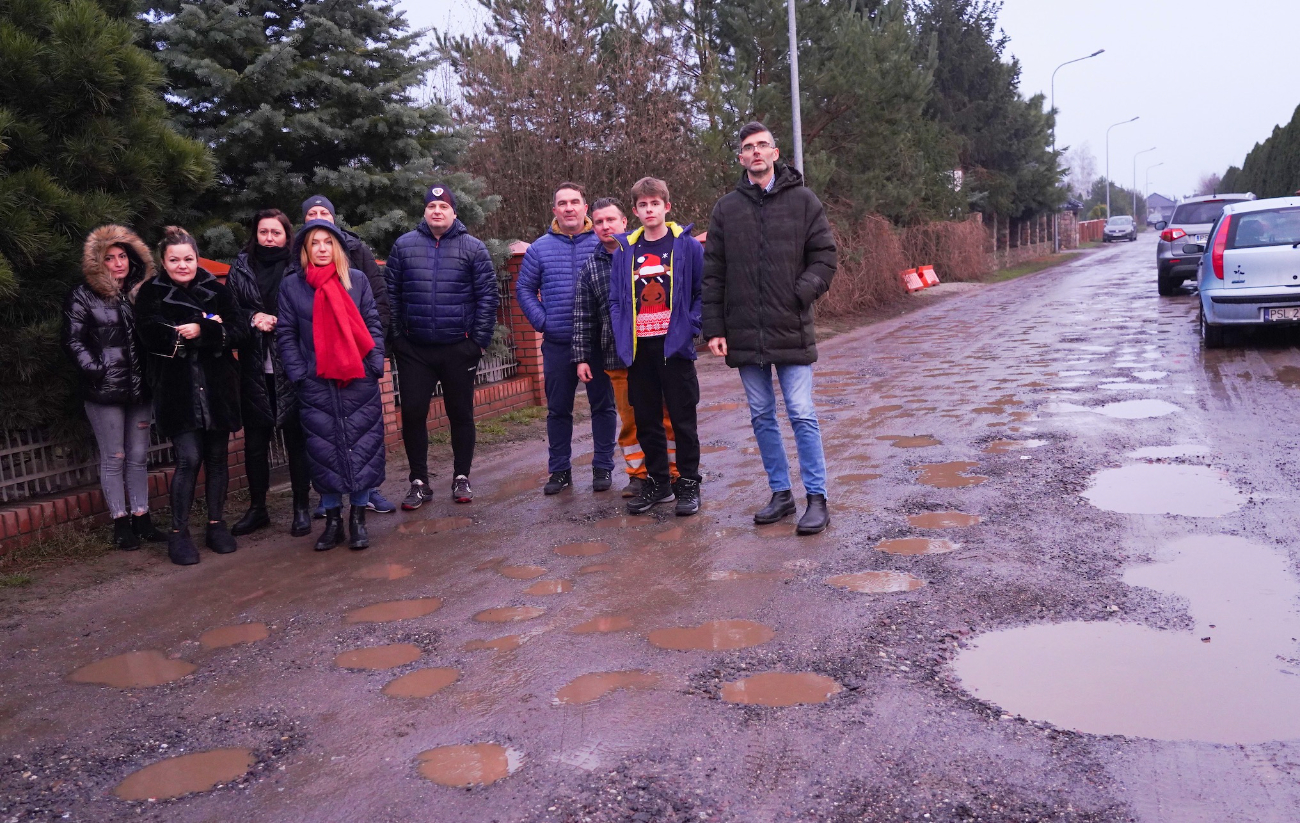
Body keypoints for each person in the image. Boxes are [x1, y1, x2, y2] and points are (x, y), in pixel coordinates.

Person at [701, 122, 837, 535]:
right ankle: (781, 494)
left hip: (790, 325)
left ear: (776, 153)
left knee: (801, 412)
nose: (756, 151)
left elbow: (825, 257)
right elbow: (713, 273)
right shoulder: (726, 209)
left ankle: (817, 498)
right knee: (761, 415)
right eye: (749, 147)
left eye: (763, 145)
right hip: (743, 331)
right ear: (741, 158)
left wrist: (800, 293)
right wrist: (714, 328)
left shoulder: (803, 201)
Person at [135, 227, 248, 565]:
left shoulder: (216, 289)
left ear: (197, 259)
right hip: (177, 389)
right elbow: (149, 333)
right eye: (174, 260)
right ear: (163, 261)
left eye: (188, 259)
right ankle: (178, 532)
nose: (182, 265)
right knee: (188, 457)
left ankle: (216, 525)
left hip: (217, 388)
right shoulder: (151, 292)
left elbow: (239, 330)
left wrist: (204, 328)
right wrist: (200, 326)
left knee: (217, 457)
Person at [385, 184, 498, 508]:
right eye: (432, 206)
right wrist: (398, 339)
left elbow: (487, 297)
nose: (437, 211)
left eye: (443, 206)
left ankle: (462, 477)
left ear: (454, 212)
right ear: (424, 211)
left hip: (458, 349)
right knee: (413, 414)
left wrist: (477, 342)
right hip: (415, 350)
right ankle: (418, 482)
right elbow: (391, 294)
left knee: (460, 414)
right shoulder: (404, 246)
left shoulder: (473, 248)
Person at [276, 220, 386, 550]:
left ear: (337, 247)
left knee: (362, 449)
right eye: (315, 243)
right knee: (323, 452)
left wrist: (373, 365)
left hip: (358, 380)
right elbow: (286, 334)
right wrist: (300, 374)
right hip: (316, 383)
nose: (322, 248)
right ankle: (333, 521)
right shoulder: (292, 286)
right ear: (305, 250)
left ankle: (358, 519)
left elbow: (372, 323)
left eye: (328, 242)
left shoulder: (357, 280)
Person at [62, 225, 167, 550]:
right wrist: (98, 371)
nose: (118, 263)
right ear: (98, 262)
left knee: (137, 456)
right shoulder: (83, 295)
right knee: (114, 456)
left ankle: (142, 518)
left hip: (140, 388)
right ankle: (121, 523)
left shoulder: (141, 293)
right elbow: (73, 340)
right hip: (104, 392)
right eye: (110, 257)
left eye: (123, 256)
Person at [607, 177, 704, 516]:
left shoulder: (686, 246)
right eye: (643, 205)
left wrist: (690, 326)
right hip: (638, 350)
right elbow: (616, 299)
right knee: (646, 420)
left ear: (667, 206)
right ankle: (659, 483)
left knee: (682, 418)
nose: (649, 210)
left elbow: (701, 292)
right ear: (635, 211)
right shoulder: (625, 251)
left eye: (655, 204)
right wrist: (622, 333)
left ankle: (688, 483)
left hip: (674, 348)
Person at [573, 197, 679, 498]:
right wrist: (581, 357)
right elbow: (583, 315)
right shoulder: (590, 268)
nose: (605, 226)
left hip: (655, 351)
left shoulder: (642, 254)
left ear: (624, 222)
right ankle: (638, 475)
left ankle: (673, 473)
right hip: (616, 357)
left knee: (666, 417)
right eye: (599, 222)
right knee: (631, 420)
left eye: (611, 220)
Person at [515, 182, 617, 495]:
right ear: (555, 210)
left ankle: (603, 466)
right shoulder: (539, 248)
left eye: (575, 202)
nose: (569, 207)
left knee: (604, 407)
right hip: (558, 343)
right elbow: (524, 289)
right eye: (563, 203)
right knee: (558, 410)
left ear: (585, 208)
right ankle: (559, 470)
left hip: (599, 343)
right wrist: (544, 322)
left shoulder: (603, 242)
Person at [299, 194, 397, 516]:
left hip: (357, 364)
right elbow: (289, 327)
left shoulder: (357, 257)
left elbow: (376, 304)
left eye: (324, 212)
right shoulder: (296, 271)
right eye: (312, 213)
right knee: (324, 440)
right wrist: (299, 371)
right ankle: (329, 504)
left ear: (334, 220)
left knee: (362, 435)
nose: (318, 216)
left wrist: (372, 358)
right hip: (317, 371)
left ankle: (366, 496)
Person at [223, 209, 313, 538]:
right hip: (255, 366)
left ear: (287, 235)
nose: (269, 238)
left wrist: (281, 321)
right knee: (256, 442)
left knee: (296, 439)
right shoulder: (241, 267)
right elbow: (230, 310)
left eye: (276, 232)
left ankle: (301, 506)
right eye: (264, 232)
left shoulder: (298, 265)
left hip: (292, 363)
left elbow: (309, 307)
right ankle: (258, 508)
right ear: (255, 234)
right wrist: (253, 318)